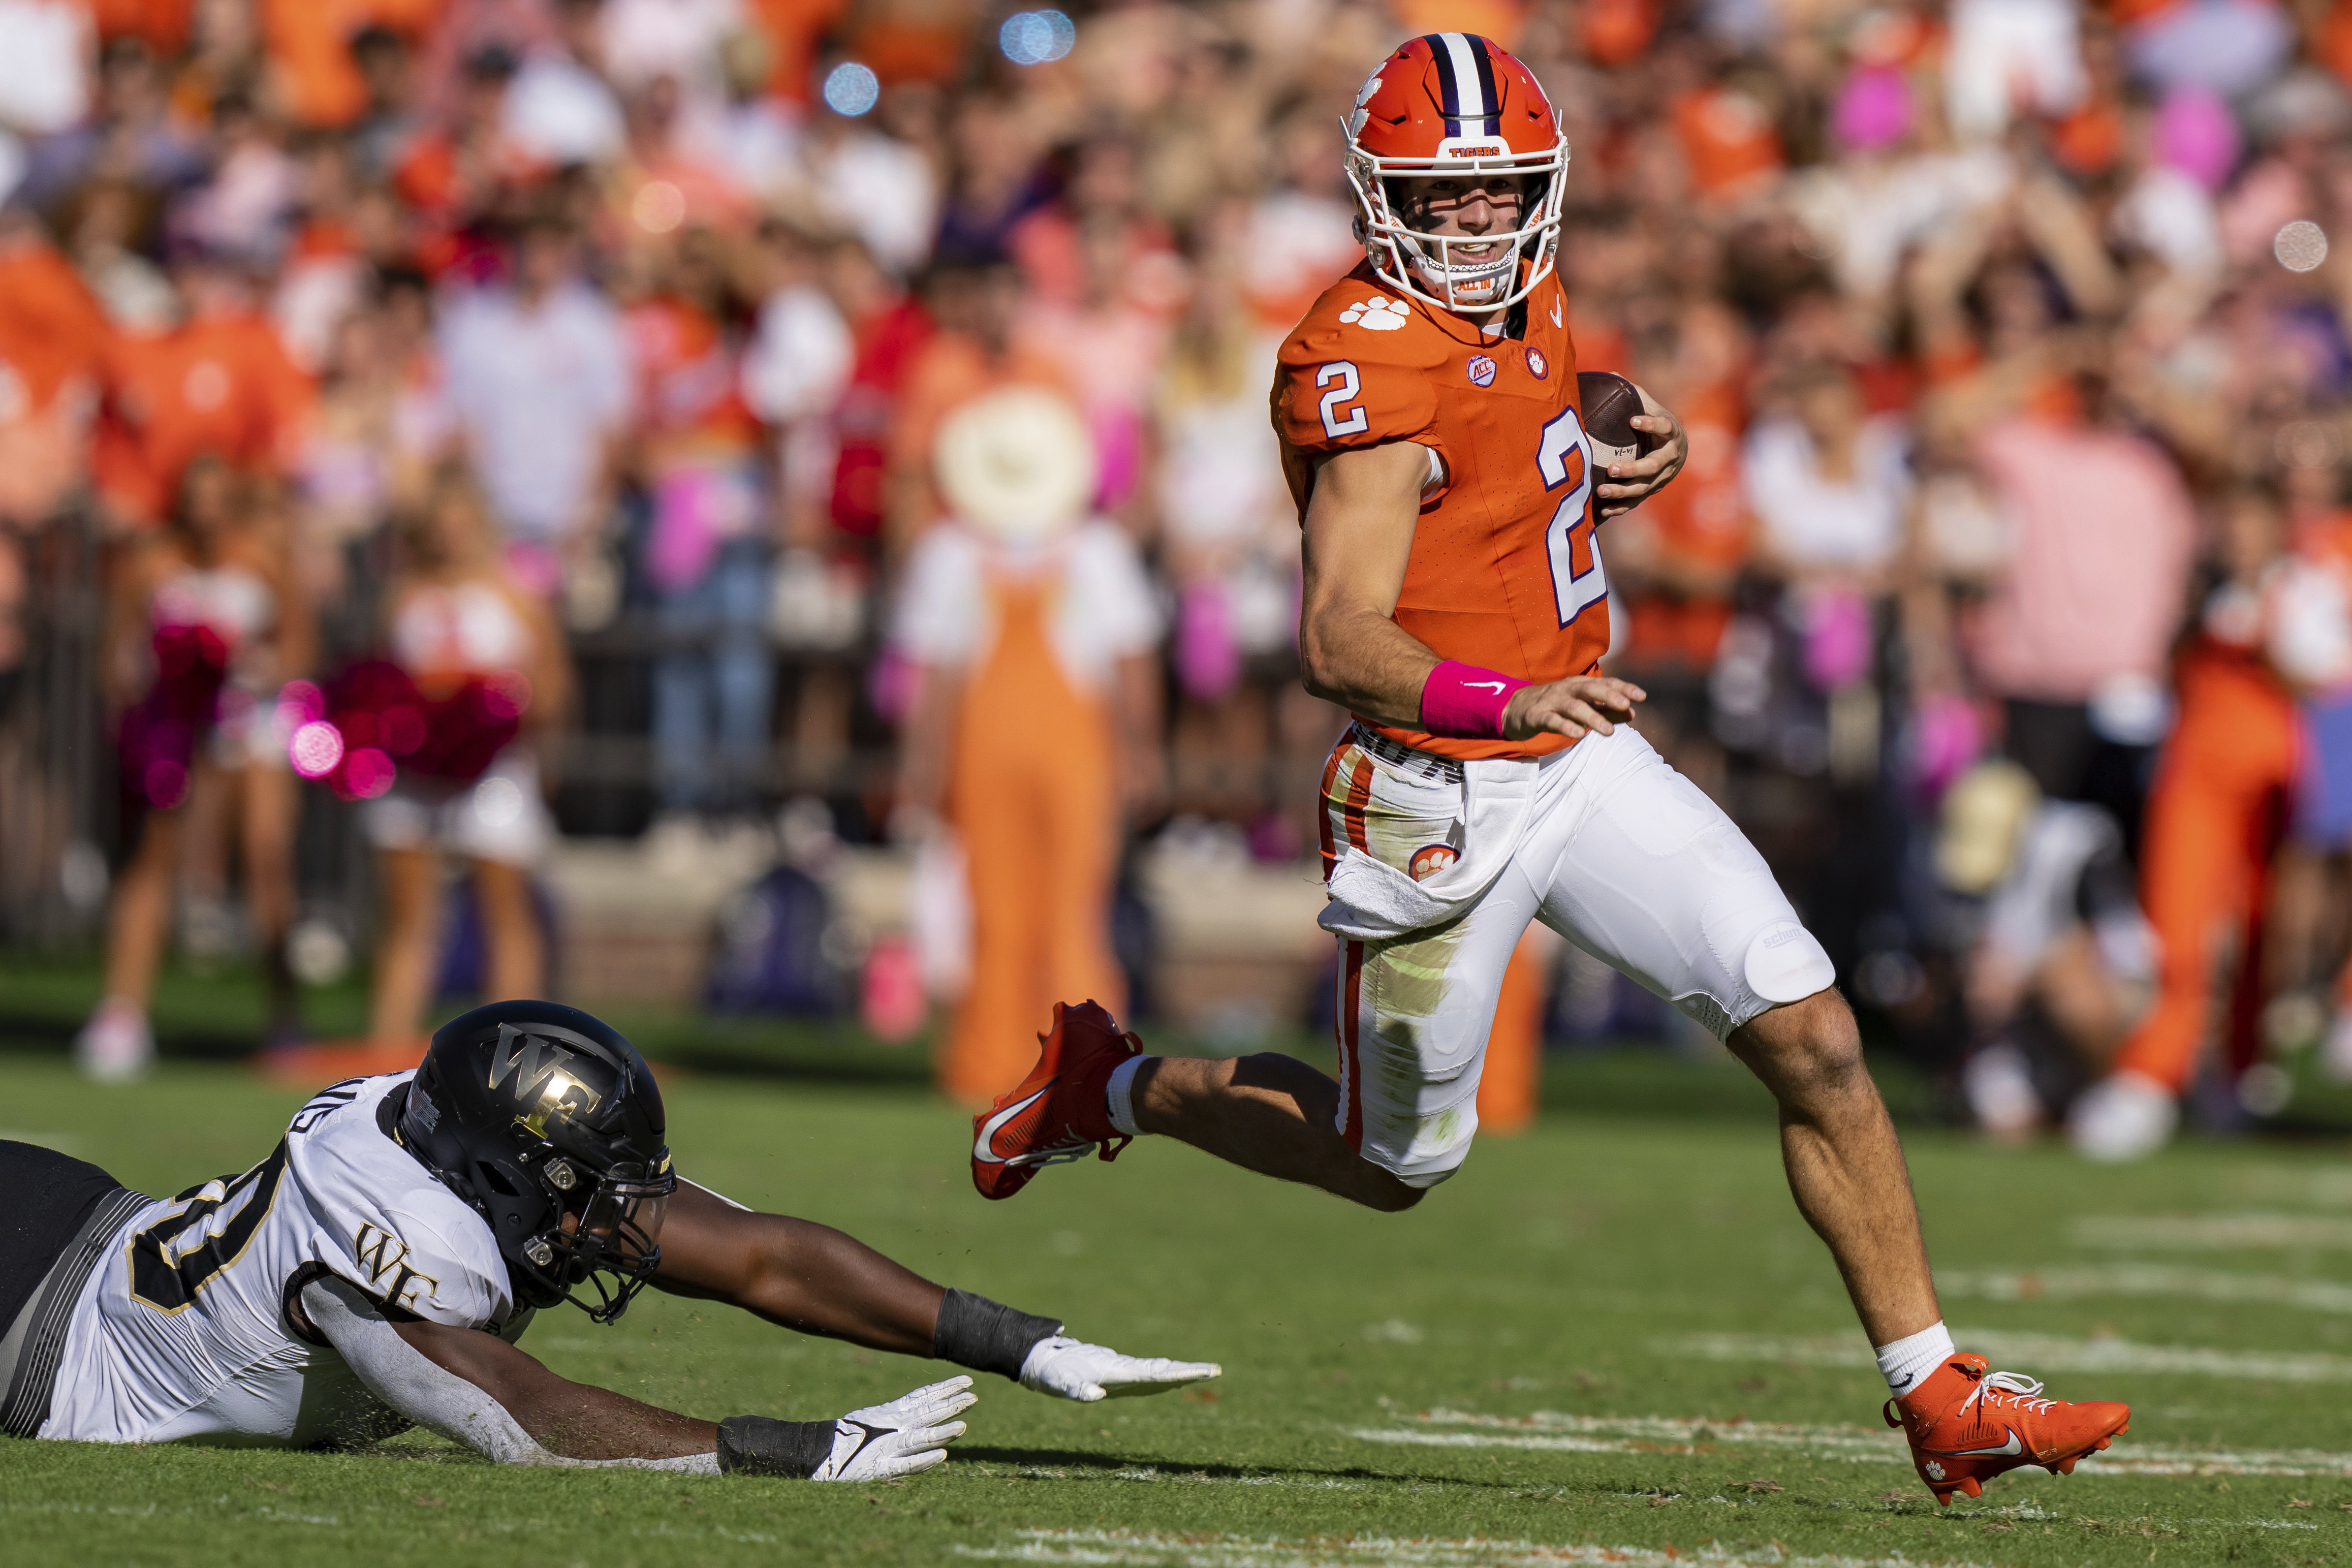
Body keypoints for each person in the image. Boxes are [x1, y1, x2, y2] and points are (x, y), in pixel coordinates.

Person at [970, 33, 2132, 1509]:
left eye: (1498, 194)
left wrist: (1612, 421)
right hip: (1438, 787)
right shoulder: (1361, 356)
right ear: (1374, 194)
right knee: (1391, 1161)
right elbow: (1339, 634)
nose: (1470, 228)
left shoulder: (1526, 288)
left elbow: (1526, 401)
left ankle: (1937, 1386)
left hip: (1576, 748)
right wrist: (1506, 693)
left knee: (1814, 1029)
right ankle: (1111, 1081)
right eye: (1438, 202)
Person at [3, 999, 1216, 1468]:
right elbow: (523, 1418)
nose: (618, 1218)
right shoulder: (397, 1235)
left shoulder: (447, 1139)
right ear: (500, 1169)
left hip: (92, 1214)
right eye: (590, 1188)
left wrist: (1021, 1342)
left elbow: (763, 1254)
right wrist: (800, 1447)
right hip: (35, 1320)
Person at [894, 387, 1163, 1105]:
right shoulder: (953, 550)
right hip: (1017, 757)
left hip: (1049, 754)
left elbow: (934, 675)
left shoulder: (1081, 548)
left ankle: (1071, 1067)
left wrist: (1140, 752)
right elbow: (1129, 663)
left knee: (1066, 905)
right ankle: (1003, 1064)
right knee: (995, 906)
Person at [78, 453, 311, 1079]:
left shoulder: (262, 556)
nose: (206, 512)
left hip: (249, 720)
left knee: (266, 857)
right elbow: (118, 651)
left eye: (218, 498)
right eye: (195, 497)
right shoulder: (153, 560)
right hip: (177, 726)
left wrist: (254, 668)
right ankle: (121, 1015)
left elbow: (297, 644)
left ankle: (284, 1018)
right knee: (151, 858)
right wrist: (145, 690)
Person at [356, 463, 570, 1051]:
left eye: (462, 523)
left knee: (504, 909)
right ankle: (387, 1050)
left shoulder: (514, 596)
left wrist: (490, 714)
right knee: (409, 915)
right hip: (415, 772)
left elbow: (551, 686)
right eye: (440, 524)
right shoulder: (405, 594)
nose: (451, 536)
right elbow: (382, 681)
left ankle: (510, 1052)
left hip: (495, 770)